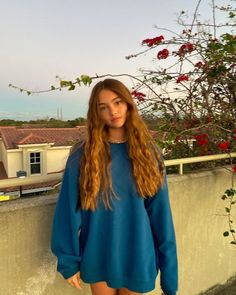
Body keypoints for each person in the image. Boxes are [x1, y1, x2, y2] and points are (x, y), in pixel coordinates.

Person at [51, 78, 178, 295]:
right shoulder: (83, 156)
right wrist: (68, 261)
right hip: (98, 252)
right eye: (104, 107)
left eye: (118, 102)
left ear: (128, 104)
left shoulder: (149, 154)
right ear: (96, 113)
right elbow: (67, 212)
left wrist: (169, 273)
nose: (113, 111)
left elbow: (161, 215)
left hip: (138, 253)